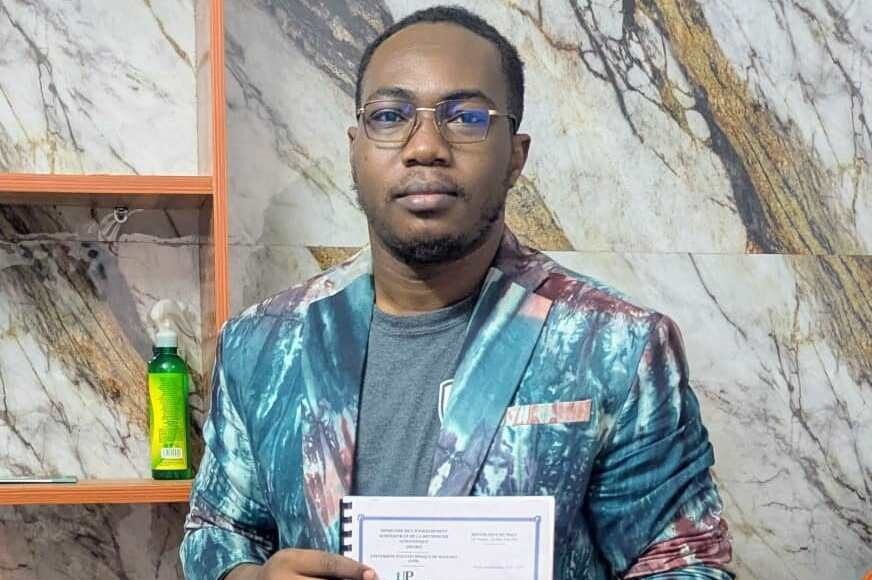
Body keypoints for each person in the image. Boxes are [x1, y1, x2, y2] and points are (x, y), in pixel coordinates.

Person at [181, 6, 733, 579]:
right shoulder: (262, 344)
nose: (425, 146)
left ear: (515, 156)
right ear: (355, 148)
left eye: (466, 117)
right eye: (390, 115)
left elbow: (684, 561)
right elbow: (219, 530)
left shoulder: (617, 346)